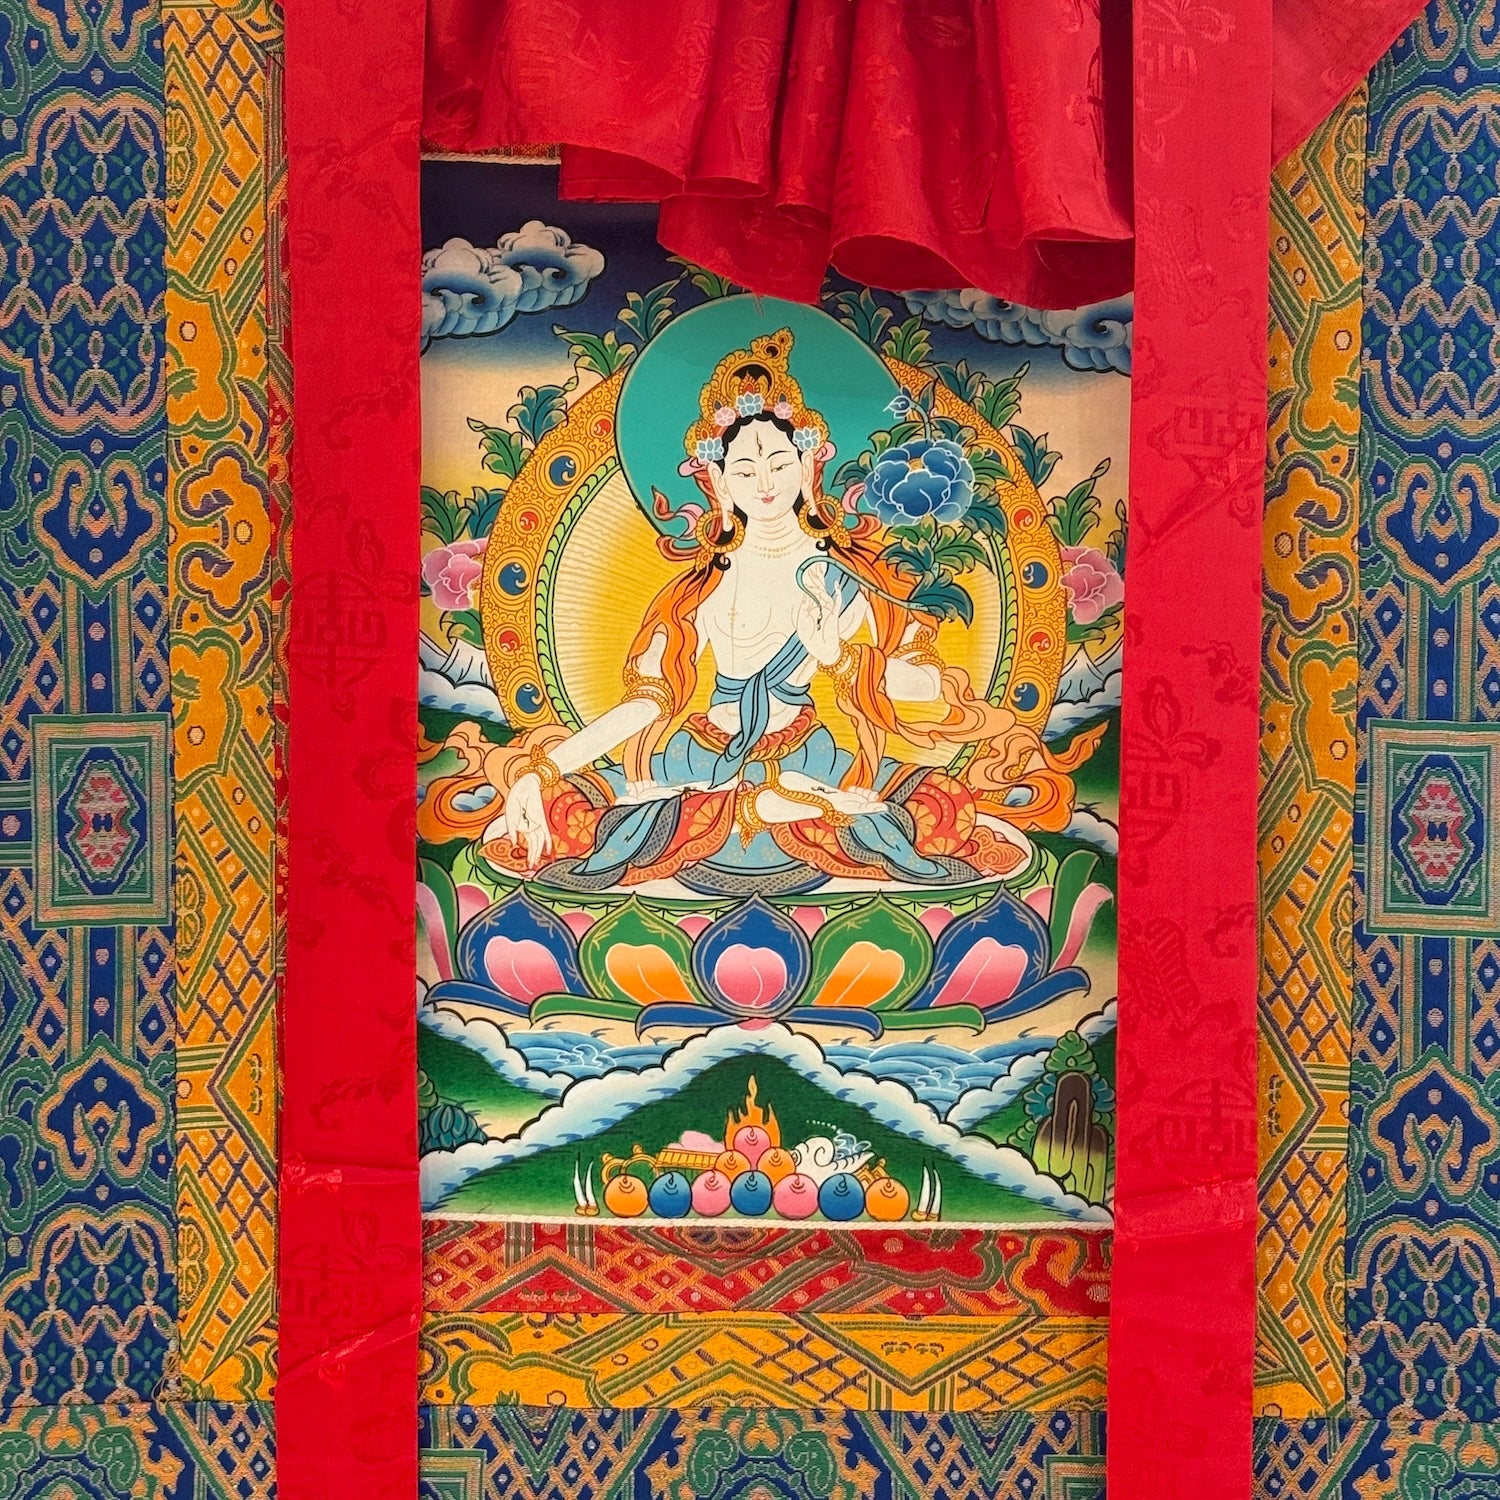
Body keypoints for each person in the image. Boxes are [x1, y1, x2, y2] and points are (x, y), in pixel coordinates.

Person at [424, 330, 1094, 895]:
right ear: (718, 482)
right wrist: (544, 769)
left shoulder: (849, 577)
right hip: (696, 764)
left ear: (811, 463)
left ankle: (790, 808)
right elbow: (647, 704)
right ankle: (773, 811)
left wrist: (841, 657)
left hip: (814, 760)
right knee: (574, 815)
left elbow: (924, 687)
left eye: (778, 460)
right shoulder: (700, 590)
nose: (766, 482)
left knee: (940, 810)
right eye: (745, 470)